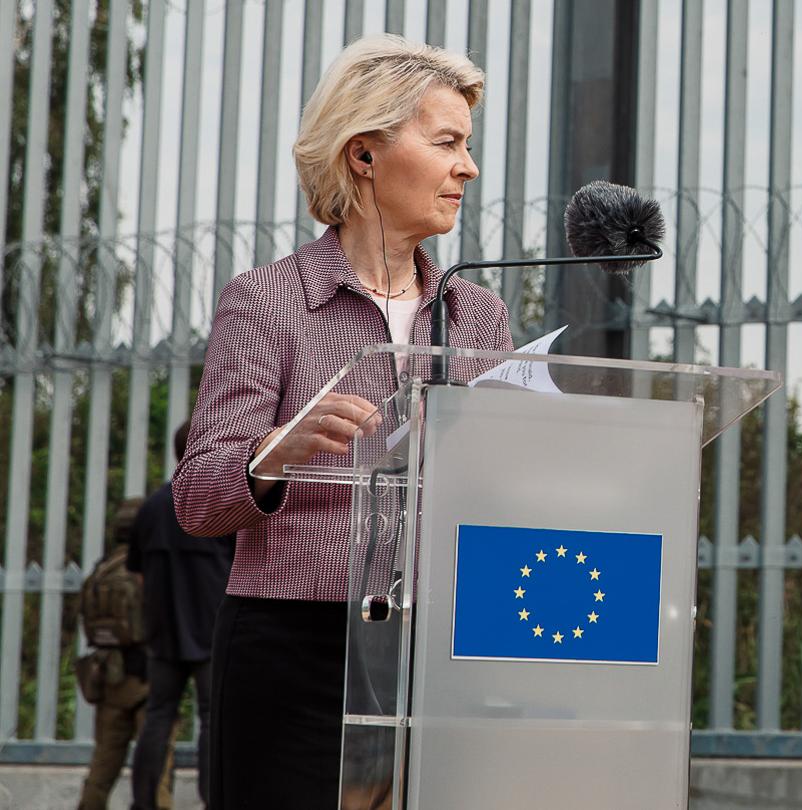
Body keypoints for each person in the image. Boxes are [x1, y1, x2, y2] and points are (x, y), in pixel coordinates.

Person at [173, 34, 512, 809]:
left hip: (443, 647)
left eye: (467, 146)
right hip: (294, 650)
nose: (468, 167)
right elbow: (196, 499)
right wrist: (275, 451)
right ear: (363, 155)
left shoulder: (480, 315)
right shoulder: (266, 301)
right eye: (448, 143)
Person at [128, 421, 235, 810]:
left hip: (163, 632)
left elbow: (138, 574)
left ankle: (144, 802)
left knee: (159, 715)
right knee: (212, 718)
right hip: (210, 628)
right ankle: (213, 800)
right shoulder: (220, 505)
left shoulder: (152, 507)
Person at [75, 500, 173, 810]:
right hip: (147, 677)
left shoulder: (102, 570)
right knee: (157, 764)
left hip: (109, 675)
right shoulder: (145, 569)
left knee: (103, 764)